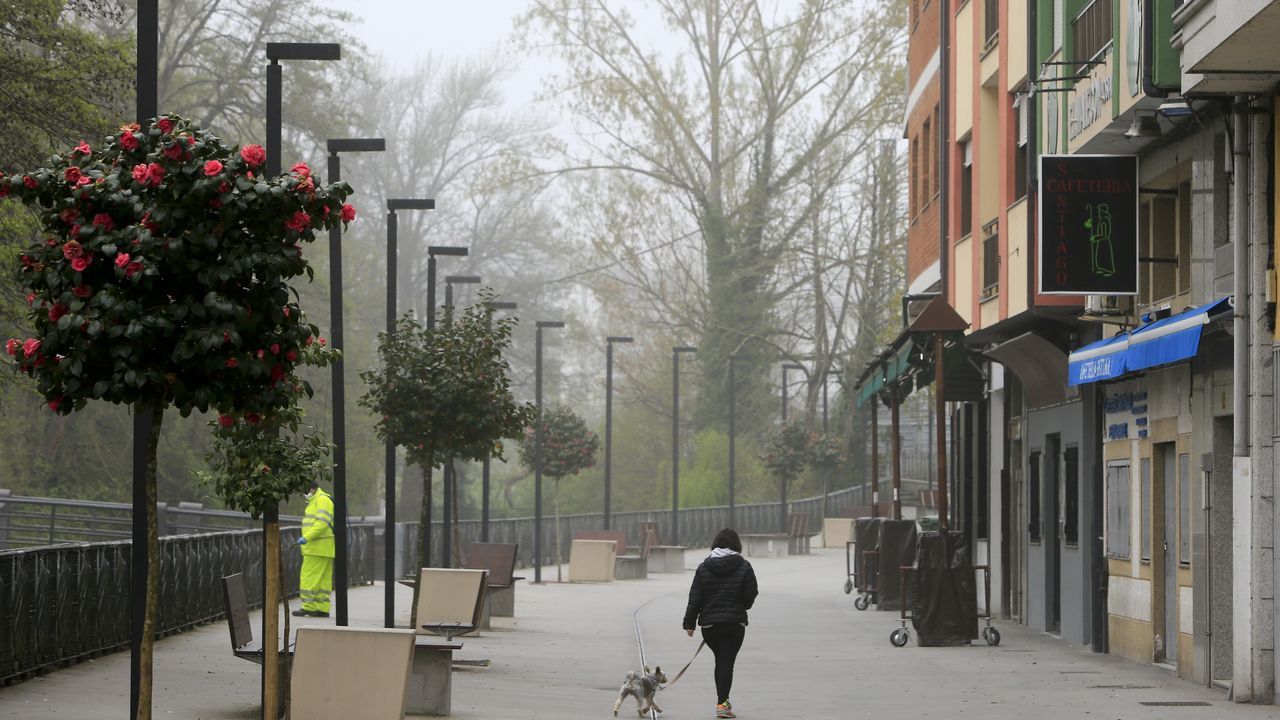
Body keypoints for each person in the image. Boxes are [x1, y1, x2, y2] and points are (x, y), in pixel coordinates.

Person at [682, 528, 758, 719]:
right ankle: (722, 703)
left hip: (710, 627)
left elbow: (695, 598)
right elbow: (751, 593)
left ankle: (723, 700)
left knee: (721, 661)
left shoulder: (703, 567)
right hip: (734, 625)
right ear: (736, 545)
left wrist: (689, 623)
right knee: (726, 662)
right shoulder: (744, 566)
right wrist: (743, 605)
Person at [293, 481, 335, 618]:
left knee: (308, 577)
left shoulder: (321, 500)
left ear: (312, 488)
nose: (305, 494)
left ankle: (308, 607)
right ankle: (322, 608)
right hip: (323, 547)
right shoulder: (320, 500)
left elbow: (321, 523)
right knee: (323, 580)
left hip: (316, 546)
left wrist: (306, 537)